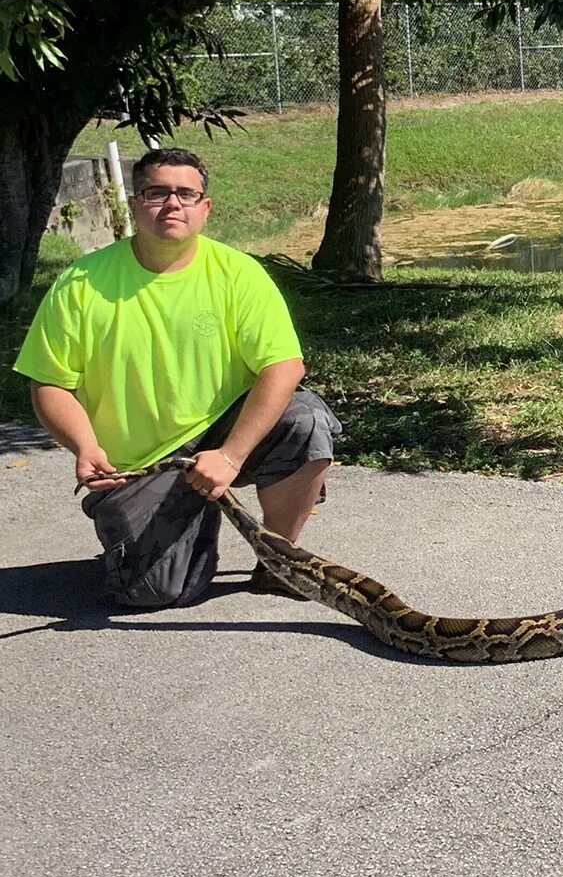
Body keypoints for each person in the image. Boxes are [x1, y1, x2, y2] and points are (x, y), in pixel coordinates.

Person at [12, 146, 342, 608]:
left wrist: (230, 456)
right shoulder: (81, 283)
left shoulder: (238, 274)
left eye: (187, 194)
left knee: (305, 419)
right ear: (134, 204)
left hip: (220, 436)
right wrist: (84, 446)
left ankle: (279, 561)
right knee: (154, 593)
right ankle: (170, 531)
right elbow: (48, 382)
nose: (172, 204)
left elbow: (284, 367)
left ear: (204, 207)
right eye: (156, 192)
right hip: (138, 466)